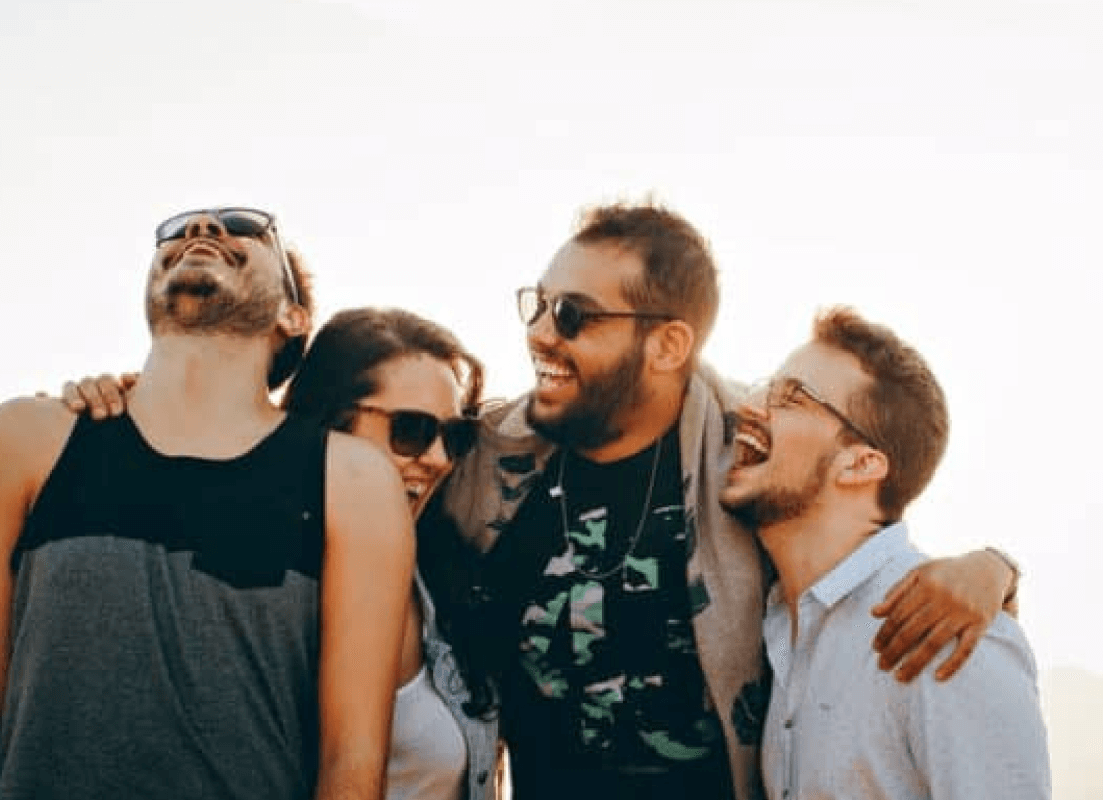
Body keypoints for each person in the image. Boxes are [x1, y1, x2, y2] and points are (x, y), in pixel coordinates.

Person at [437, 201, 1024, 800]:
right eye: (536, 304)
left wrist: (991, 568)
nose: (538, 332)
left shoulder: (744, 454)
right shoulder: (481, 462)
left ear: (667, 345)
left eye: (570, 314)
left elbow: (857, 520)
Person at [0, 208, 415, 800]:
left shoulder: (352, 482)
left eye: (243, 227)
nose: (203, 229)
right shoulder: (19, 443)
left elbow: (351, 763)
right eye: (179, 229)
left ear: (294, 316)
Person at [722, 306, 1051, 800]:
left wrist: (998, 567)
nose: (751, 407)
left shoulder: (948, 637)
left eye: (790, 397)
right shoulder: (779, 629)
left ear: (860, 464)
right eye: (765, 386)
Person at [281, 307, 502, 800]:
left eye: (455, 436)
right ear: (331, 423)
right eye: (411, 430)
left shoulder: (444, 575)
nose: (440, 458)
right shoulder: (266, 588)